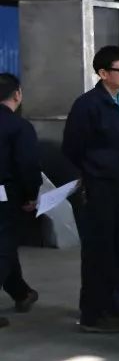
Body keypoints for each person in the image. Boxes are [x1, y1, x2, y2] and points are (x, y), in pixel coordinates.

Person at [63, 45, 119, 333]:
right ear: (103, 73)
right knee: (99, 251)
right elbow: (71, 148)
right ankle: (93, 314)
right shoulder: (87, 105)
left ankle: (114, 302)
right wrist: (91, 174)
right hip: (98, 188)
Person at [0, 74, 41, 329]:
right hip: (5, 196)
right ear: (17, 94)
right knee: (3, 248)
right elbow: (27, 165)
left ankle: (21, 292)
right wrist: (30, 195)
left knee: (6, 246)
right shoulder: (19, 127)